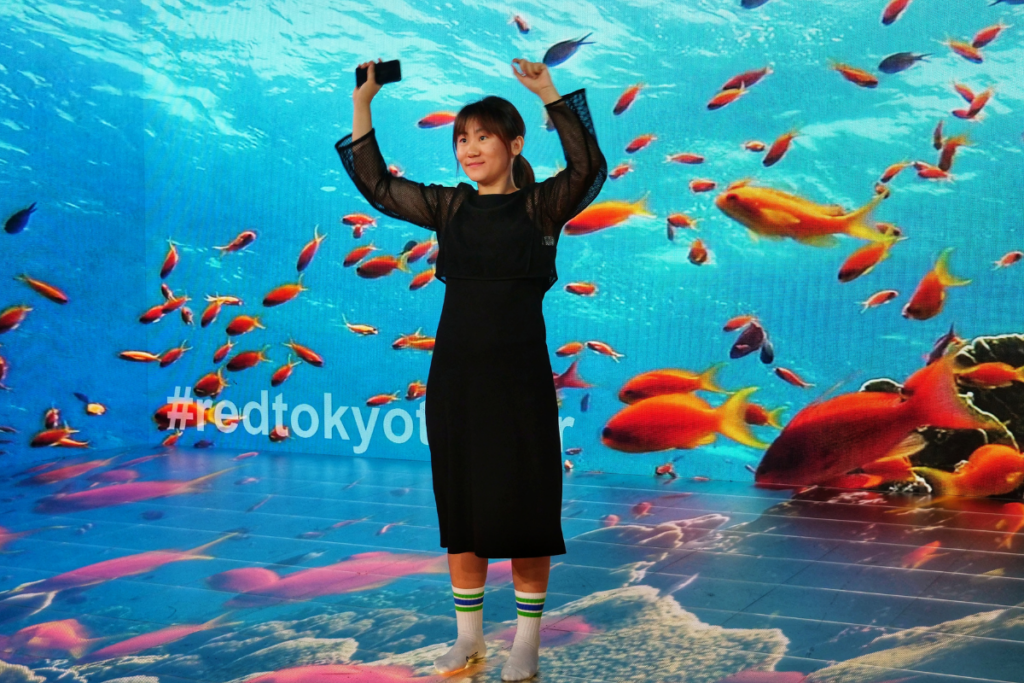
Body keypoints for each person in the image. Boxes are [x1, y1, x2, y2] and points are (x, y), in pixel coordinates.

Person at [336, 56, 606, 681]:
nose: (470, 148)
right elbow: (377, 185)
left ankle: (527, 642)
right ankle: (468, 640)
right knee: (463, 510)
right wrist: (364, 102)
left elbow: (589, 168)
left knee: (526, 510)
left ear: (514, 144)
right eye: (462, 138)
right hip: (455, 380)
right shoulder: (449, 209)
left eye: (484, 136)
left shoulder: (542, 208)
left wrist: (548, 91)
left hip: (521, 383)